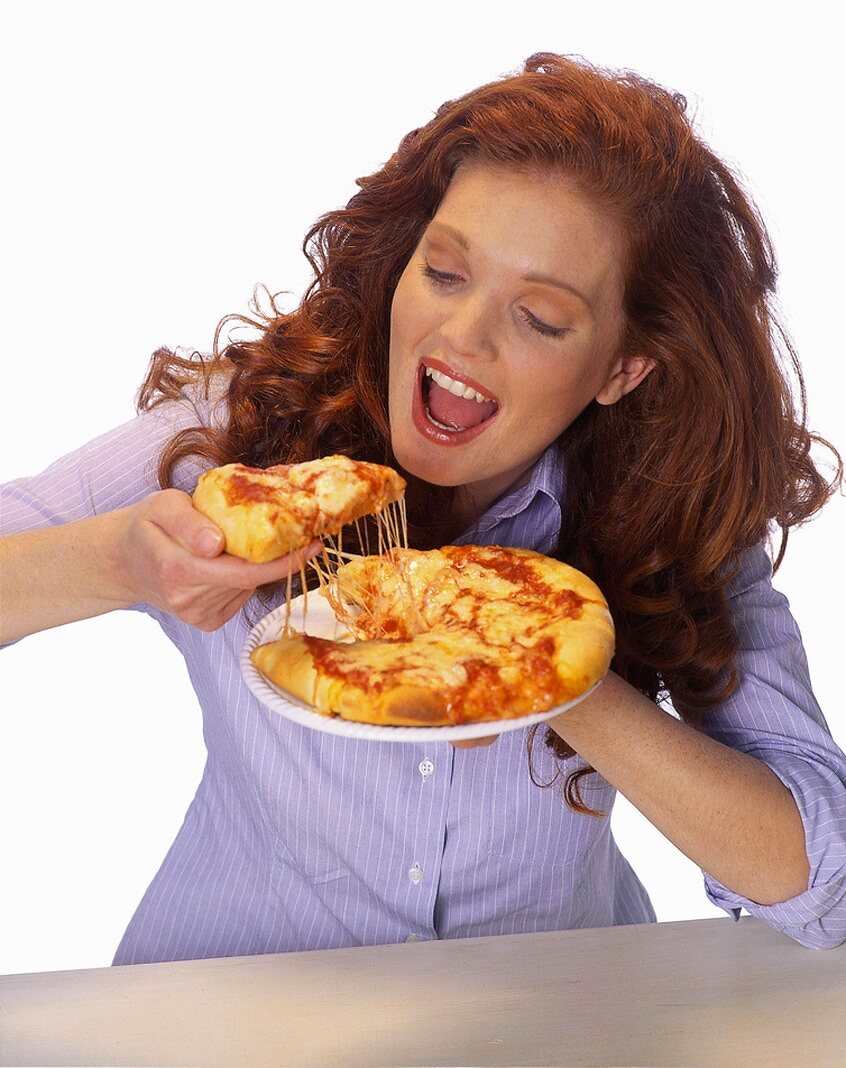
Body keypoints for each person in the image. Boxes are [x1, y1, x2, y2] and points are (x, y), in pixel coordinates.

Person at [2, 53, 845, 961]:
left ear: (621, 368)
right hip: (222, 1001)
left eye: (541, 318)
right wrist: (118, 561)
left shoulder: (664, 510)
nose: (460, 334)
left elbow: (825, 888)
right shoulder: (244, 438)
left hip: (550, 1017)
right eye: (444, 273)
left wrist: (551, 675)